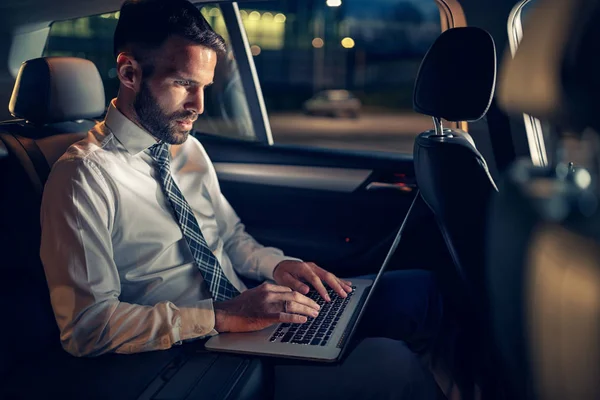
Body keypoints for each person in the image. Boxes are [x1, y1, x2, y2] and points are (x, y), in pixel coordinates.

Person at [39, 0, 444, 398]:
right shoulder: (83, 176)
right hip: (190, 351)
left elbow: (230, 238)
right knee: (393, 364)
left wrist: (278, 265)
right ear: (129, 73)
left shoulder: (186, 149)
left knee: (420, 290)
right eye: (184, 84)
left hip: (247, 316)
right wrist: (221, 316)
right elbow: (86, 327)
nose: (198, 106)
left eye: (204, 87)